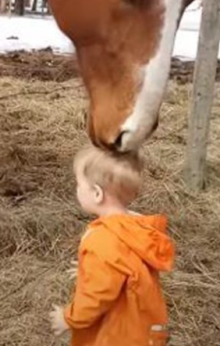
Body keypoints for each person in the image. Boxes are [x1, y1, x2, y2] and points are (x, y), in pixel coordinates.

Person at [49, 146, 175, 345]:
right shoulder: (135, 228)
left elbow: (96, 296)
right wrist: (89, 268)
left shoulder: (102, 239)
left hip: (116, 335)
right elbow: (124, 267)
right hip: (141, 328)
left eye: (79, 184)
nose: (77, 190)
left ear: (97, 194)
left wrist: (68, 318)